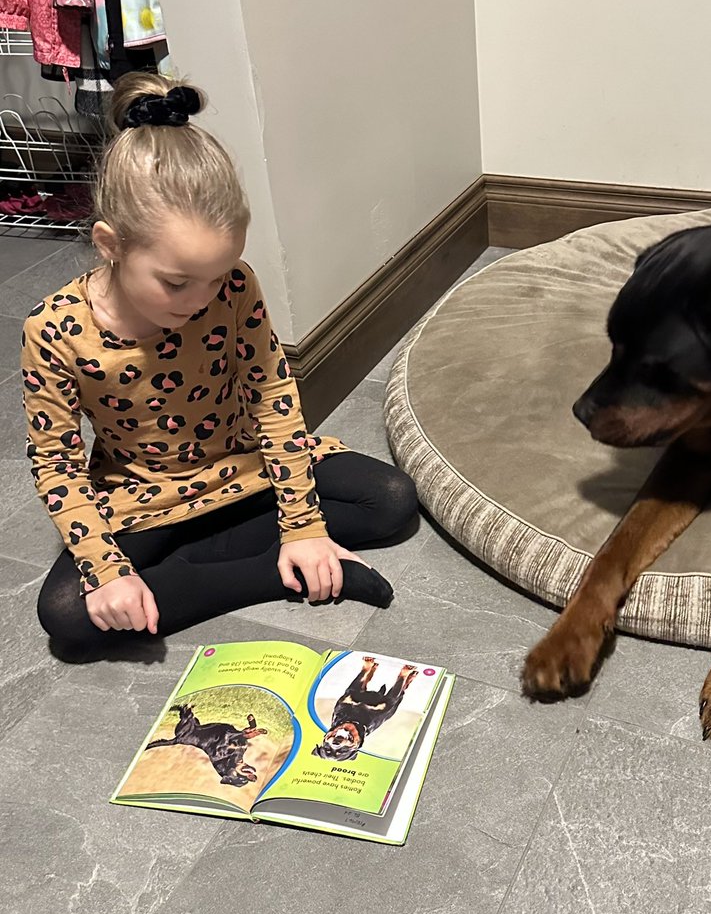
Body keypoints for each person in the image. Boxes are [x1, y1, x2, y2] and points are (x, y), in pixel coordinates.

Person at [22, 74, 418, 662]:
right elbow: (54, 462)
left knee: (391, 499)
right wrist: (107, 570)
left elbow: (271, 393)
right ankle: (273, 570)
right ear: (110, 244)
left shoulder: (235, 287)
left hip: (245, 463)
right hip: (140, 492)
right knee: (68, 616)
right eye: (177, 283)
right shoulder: (54, 328)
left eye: (216, 277)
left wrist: (305, 525)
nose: (201, 299)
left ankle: (221, 562)